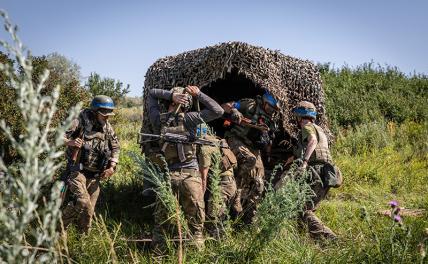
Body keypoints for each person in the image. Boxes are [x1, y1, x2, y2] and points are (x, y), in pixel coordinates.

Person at [146, 85, 223, 250]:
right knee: (196, 228)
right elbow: (218, 111)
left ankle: (158, 256)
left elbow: (151, 94)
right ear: (187, 104)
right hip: (190, 178)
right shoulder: (190, 119)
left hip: (168, 178)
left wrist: (170, 95)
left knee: (162, 227)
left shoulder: (158, 119)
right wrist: (199, 94)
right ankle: (195, 257)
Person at [276, 101, 338, 240]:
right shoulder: (320, 129)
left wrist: (304, 162)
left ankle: (329, 238)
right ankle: (306, 239)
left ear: (299, 116)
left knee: (303, 211)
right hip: (327, 173)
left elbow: (312, 141)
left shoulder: (307, 126)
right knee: (305, 208)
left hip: (315, 171)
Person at [61, 95, 120, 233]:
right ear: (95, 111)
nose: (107, 117)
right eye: (104, 114)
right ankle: (58, 230)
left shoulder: (107, 127)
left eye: (109, 114)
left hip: (94, 176)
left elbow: (116, 147)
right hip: (77, 172)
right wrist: (70, 142)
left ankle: (82, 241)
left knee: (88, 212)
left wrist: (112, 166)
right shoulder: (79, 121)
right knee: (82, 202)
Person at [221, 91, 279, 224]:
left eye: (273, 108)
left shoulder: (272, 119)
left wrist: (268, 153)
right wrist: (234, 110)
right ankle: (236, 192)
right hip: (236, 138)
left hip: (253, 147)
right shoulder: (250, 104)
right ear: (264, 102)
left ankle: (249, 218)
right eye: (269, 106)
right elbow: (225, 106)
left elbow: (270, 141)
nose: (271, 110)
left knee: (259, 181)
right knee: (249, 160)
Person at [196, 124, 240, 238]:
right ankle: (226, 242)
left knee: (215, 220)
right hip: (231, 185)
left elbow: (203, 177)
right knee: (223, 219)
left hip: (222, 186)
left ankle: (219, 247)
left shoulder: (205, 147)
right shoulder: (218, 141)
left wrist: (200, 197)